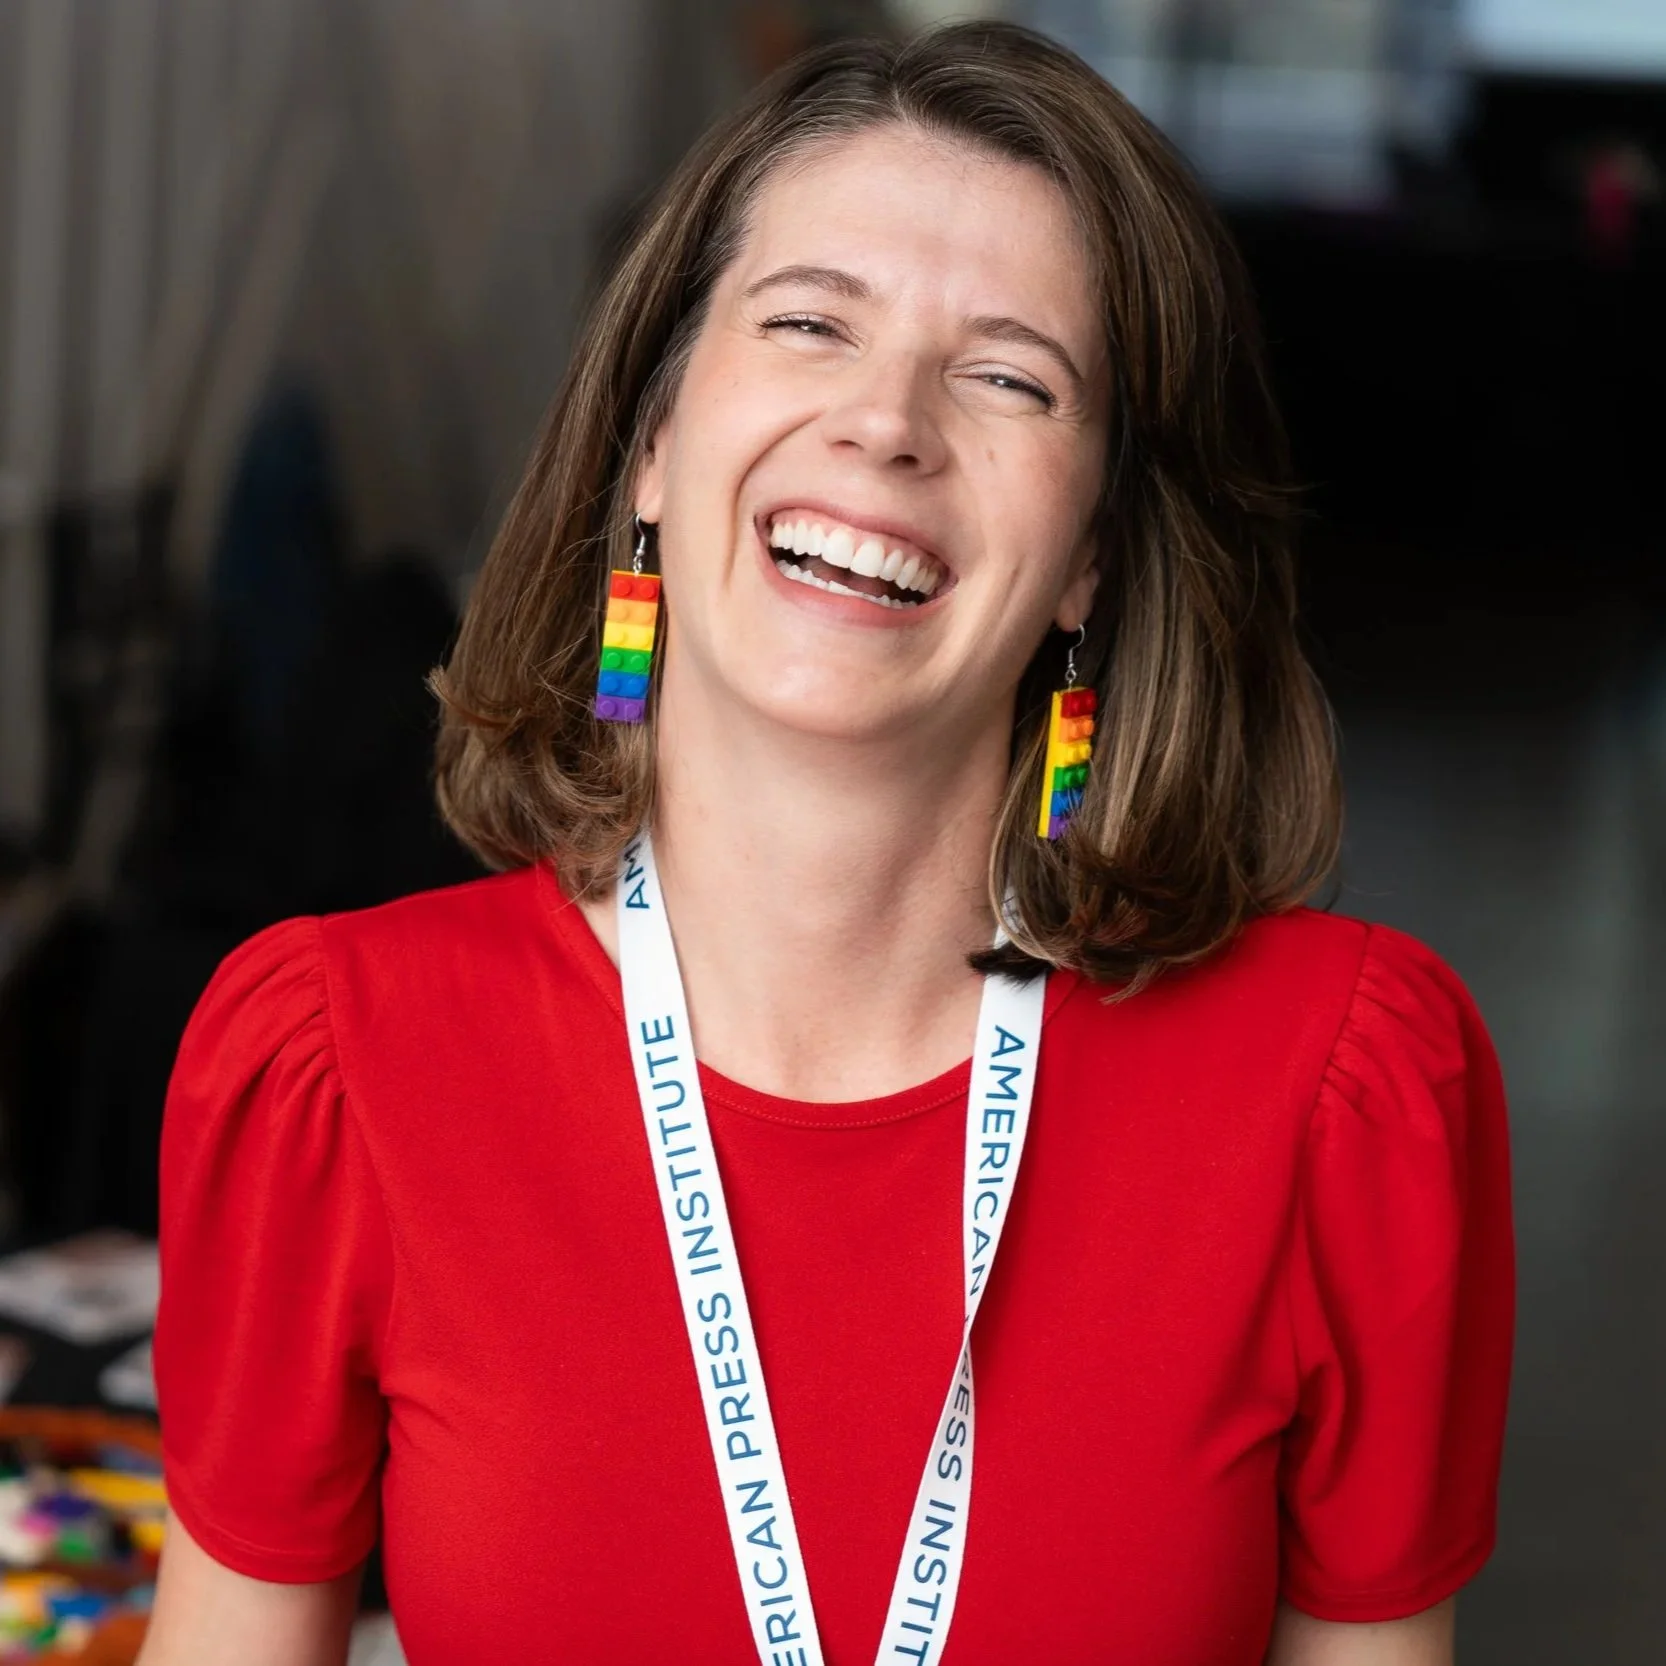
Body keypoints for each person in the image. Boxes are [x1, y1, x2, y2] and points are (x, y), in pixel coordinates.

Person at [140, 22, 1513, 1666]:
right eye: (807, 325)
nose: (887, 424)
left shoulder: (1342, 1089)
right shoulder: (335, 1070)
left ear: (1088, 558)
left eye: (1009, 374)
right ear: (649, 443)